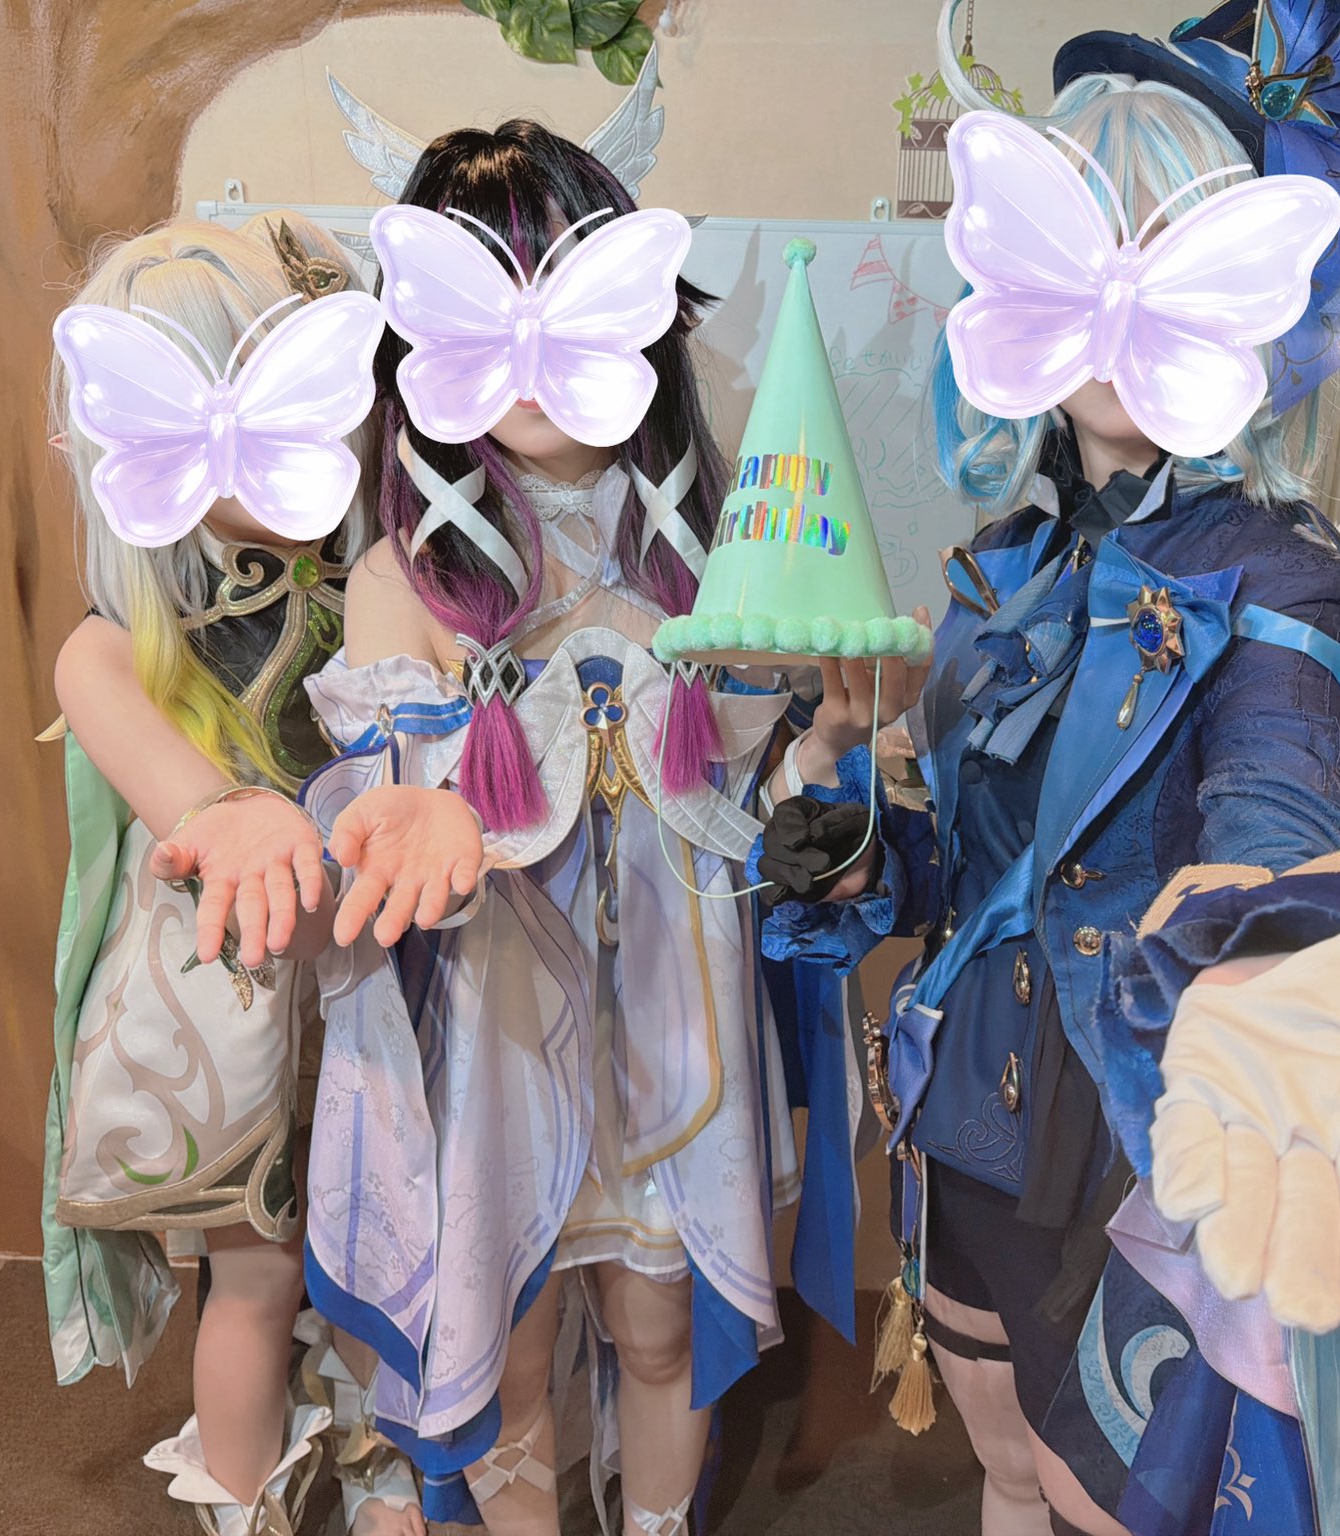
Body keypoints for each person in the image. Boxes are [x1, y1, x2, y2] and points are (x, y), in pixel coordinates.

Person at [755, 18, 1340, 1536]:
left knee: (1107, 1503)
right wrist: (839, 808)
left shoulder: (1276, 585)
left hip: (1132, 1144)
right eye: (1078, 244)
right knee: (1003, 1469)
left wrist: (1274, 951)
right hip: (968, 1114)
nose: (1113, 300)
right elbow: (960, 870)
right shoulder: (1003, 569)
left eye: (1163, 248)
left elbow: (1275, 810)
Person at [297, 120, 820, 1536]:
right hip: (499, 1031)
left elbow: (774, 790)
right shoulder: (405, 578)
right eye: (487, 301)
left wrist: (836, 744)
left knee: (660, 1327)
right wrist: (409, 815)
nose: (530, 350)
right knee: (511, 1351)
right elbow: (382, 803)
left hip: (675, 1016)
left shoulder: (716, 549)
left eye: (567, 294)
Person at [41, 211, 482, 1536]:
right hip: (229, 988)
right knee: (259, 1273)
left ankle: (390, 1471)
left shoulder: (378, 573)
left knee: (393, 1239)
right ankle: (245, 1499)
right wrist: (227, 811)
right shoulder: (115, 642)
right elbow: (166, 774)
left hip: (373, 950)